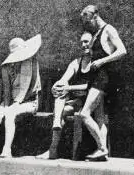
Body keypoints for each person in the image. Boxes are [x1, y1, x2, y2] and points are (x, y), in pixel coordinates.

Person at [38, 31, 106, 160]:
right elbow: (64, 79)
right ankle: (52, 147)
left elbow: (91, 87)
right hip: (77, 102)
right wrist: (58, 85)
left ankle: (57, 124)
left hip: (92, 104)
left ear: (93, 43)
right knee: (60, 98)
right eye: (81, 42)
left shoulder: (97, 62)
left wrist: (68, 87)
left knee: (64, 93)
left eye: (86, 41)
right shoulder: (76, 62)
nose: (83, 45)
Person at [0, 34, 42, 158]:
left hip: (29, 102)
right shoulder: (7, 67)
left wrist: (14, 105)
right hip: (13, 102)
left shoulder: (30, 62)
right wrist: (7, 105)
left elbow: (24, 87)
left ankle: (7, 149)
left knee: (10, 113)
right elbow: (7, 90)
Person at [78, 4, 128, 160]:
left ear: (95, 16)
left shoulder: (108, 30)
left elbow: (122, 50)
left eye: (88, 21)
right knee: (99, 118)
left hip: (103, 78)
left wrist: (102, 61)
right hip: (96, 77)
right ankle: (103, 154)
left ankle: (102, 148)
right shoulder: (97, 33)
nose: (87, 25)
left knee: (84, 114)